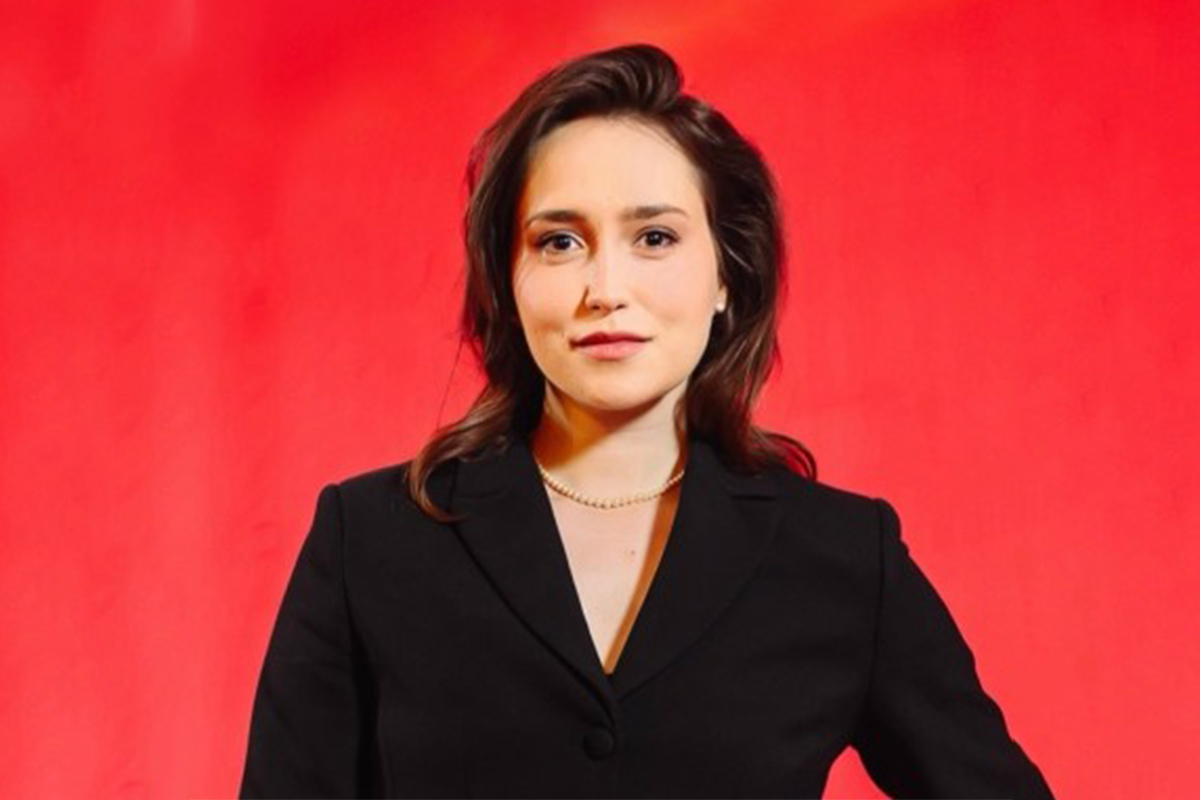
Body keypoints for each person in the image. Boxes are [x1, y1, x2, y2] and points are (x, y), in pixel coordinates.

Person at [239, 44, 1055, 799]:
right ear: (507, 280)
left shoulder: (842, 556)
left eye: (655, 237)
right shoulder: (371, 539)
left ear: (727, 273)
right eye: (559, 242)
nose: (606, 289)